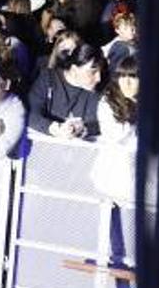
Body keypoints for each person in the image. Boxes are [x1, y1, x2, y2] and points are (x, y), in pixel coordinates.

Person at [28, 42, 103, 139]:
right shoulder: (47, 79)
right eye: (93, 72)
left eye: (100, 71)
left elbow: (98, 122)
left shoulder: (94, 89)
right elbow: (32, 113)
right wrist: (54, 128)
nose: (99, 78)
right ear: (75, 69)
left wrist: (83, 128)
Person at [92, 56, 139, 200]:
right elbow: (117, 135)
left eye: (133, 77)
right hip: (110, 180)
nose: (127, 82)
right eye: (122, 76)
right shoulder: (108, 102)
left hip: (141, 183)